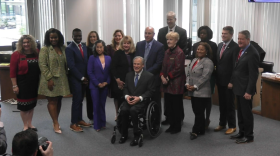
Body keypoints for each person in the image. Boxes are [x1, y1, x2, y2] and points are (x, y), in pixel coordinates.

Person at [38, 28, 70, 134]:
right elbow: (42, 65)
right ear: (48, 38)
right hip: (50, 79)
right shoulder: (45, 49)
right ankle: (55, 122)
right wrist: (49, 78)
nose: (53, 39)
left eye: (55, 37)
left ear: (59, 37)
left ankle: (55, 119)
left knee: (59, 100)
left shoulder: (63, 48)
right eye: (51, 37)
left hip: (62, 79)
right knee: (52, 101)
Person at [157, 11, 187, 124]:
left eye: (171, 19)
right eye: (167, 19)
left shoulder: (182, 32)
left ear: (175, 19)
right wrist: (162, 76)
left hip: (175, 76)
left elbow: (183, 48)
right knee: (168, 100)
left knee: (176, 101)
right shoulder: (161, 32)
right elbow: (161, 47)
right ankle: (169, 118)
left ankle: (178, 120)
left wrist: (167, 77)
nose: (169, 21)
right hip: (167, 67)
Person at [229, 30, 259, 144]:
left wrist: (249, 92)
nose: (239, 41)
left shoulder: (253, 53)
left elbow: (253, 75)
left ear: (248, 40)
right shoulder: (241, 50)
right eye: (238, 38)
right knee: (240, 112)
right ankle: (241, 132)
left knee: (246, 113)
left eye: (242, 39)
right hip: (238, 87)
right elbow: (237, 69)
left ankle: (249, 136)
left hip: (246, 90)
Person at [118, 56, 155, 146]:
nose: (136, 66)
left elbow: (150, 91)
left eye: (138, 64)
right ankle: (124, 134)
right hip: (129, 100)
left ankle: (136, 135)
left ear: (143, 65)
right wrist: (126, 97)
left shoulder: (149, 76)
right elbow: (125, 88)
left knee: (133, 110)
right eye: (134, 64)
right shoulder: (128, 75)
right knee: (124, 110)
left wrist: (140, 98)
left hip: (142, 101)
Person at [10, 35, 40, 131]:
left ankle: (30, 124)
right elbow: (12, 72)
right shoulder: (16, 54)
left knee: (31, 104)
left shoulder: (36, 53)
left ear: (32, 43)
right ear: (21, 44)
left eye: (28, 42)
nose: (26, 44)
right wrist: (15, 85)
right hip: (22, 83)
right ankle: (25, 126)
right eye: (24, 42)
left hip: (34, 83)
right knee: (24, 106)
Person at [186, 42, 214, 140]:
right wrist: (187, 84)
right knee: (197, 111)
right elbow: (188, 73)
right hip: (192, 90)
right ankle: (201, 129)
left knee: (199, 111)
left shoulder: (208, 62)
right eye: (198, 49)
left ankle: (195, 131)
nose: (199, 51)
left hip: (202, 91)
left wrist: (195, 86)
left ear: (206, 51)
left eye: (202, 49)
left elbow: (205, 77)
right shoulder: (194, 60)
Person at [66, 28, 91, 132]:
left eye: (80, 36)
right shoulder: (69, 48)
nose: (78, 38)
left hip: (84, 79)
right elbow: (71, 66)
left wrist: (86, 77)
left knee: (80, 100)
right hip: (76, 79)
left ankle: (80, 119)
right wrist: (81, 77)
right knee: (76, 100)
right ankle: (73, 123)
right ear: (72, 36)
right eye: (76, 36)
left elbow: (85, 63)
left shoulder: (84, 46)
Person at [214, 26, 238, 134]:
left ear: (231, 34)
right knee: (222, 104)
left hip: (229, 82)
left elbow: (235, 66)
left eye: (226, 34)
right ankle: (222, 123)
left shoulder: (235, 47)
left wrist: (232, 81)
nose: (223, 35)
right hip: (220, 80)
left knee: (229, 104)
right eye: (222, 33)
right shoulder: (219, 45)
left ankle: (232, 126)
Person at [192, 25, 218, 129]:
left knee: (207, 98)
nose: (202, 35)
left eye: (204, 33)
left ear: (209, 34)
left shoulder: (213, 45)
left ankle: (207, 118)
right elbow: (194, 58)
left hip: (209, 74)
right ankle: (201, 119)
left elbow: (215, 60)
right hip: (197, 73)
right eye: (201, 33)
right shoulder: (195, 45)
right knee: (197, 99)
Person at [160, 32, 185, 134]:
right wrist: (161, 76)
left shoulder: (180, 52)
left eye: (171, 39)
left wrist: (167, 77)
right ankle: (171, 125)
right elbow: (163, 66)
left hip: (176, 83)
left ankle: (177, 126)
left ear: (176, 41)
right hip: (166, 83)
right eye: (167, 39)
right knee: (169, 105)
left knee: (176, 106)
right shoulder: (167, 52)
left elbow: (178, 69)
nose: (168, 41)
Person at [135, 26, 164, 115]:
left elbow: (159, 63)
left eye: (149, 33)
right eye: (146, 33)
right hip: (140, 78)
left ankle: (156, 121)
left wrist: (146, 73)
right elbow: (136, 60)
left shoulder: (159, 46)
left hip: (153, 78)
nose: (147, 35)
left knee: (156, 100)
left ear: (153, 34)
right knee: (143, 100)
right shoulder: (139, 44)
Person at [87, 40, 111, 131]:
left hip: (105, 85)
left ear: (103, 47)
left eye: (101, 47)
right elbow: (90, 72)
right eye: (97, 47)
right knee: (96, 105)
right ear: (95, 48)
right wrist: (97, 83)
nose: (99, 49)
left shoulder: (108, 58)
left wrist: (106, 82)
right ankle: (97, 125)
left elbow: (109, 72)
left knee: (102, 104)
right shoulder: (92, 58)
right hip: (94, 86)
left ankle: (103, 122)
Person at [111, 36, 135, 120]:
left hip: (131, 80)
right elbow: (113, 67)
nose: (126, 45)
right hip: (119, 80)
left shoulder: (134, 53)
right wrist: (117, 80)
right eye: (124, 43)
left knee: (130, 97)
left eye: (128, 43)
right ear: (122, 44)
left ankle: (128, 115)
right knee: (119, 98)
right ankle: (118, 115)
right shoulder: (118, 53)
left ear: (131, 44)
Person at [106, 29, 124, 116]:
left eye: (119, 35)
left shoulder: (125, 46)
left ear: (122, 37)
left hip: (123, 74)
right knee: (116, 96)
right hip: (114, 74)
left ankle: (123, 113)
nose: (117, 37)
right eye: (116, 35)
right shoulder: (109, 47)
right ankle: (117, 113)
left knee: (124, 95)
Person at [85, 31, 100, 125]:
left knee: (99, 98)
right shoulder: (86, 49)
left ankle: (99, 116)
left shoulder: (101, 48)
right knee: (90, 99)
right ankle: (91, 117)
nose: (92, 38)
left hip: (99, 77)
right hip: (89, 77)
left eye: (94, 36)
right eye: (91, 37)